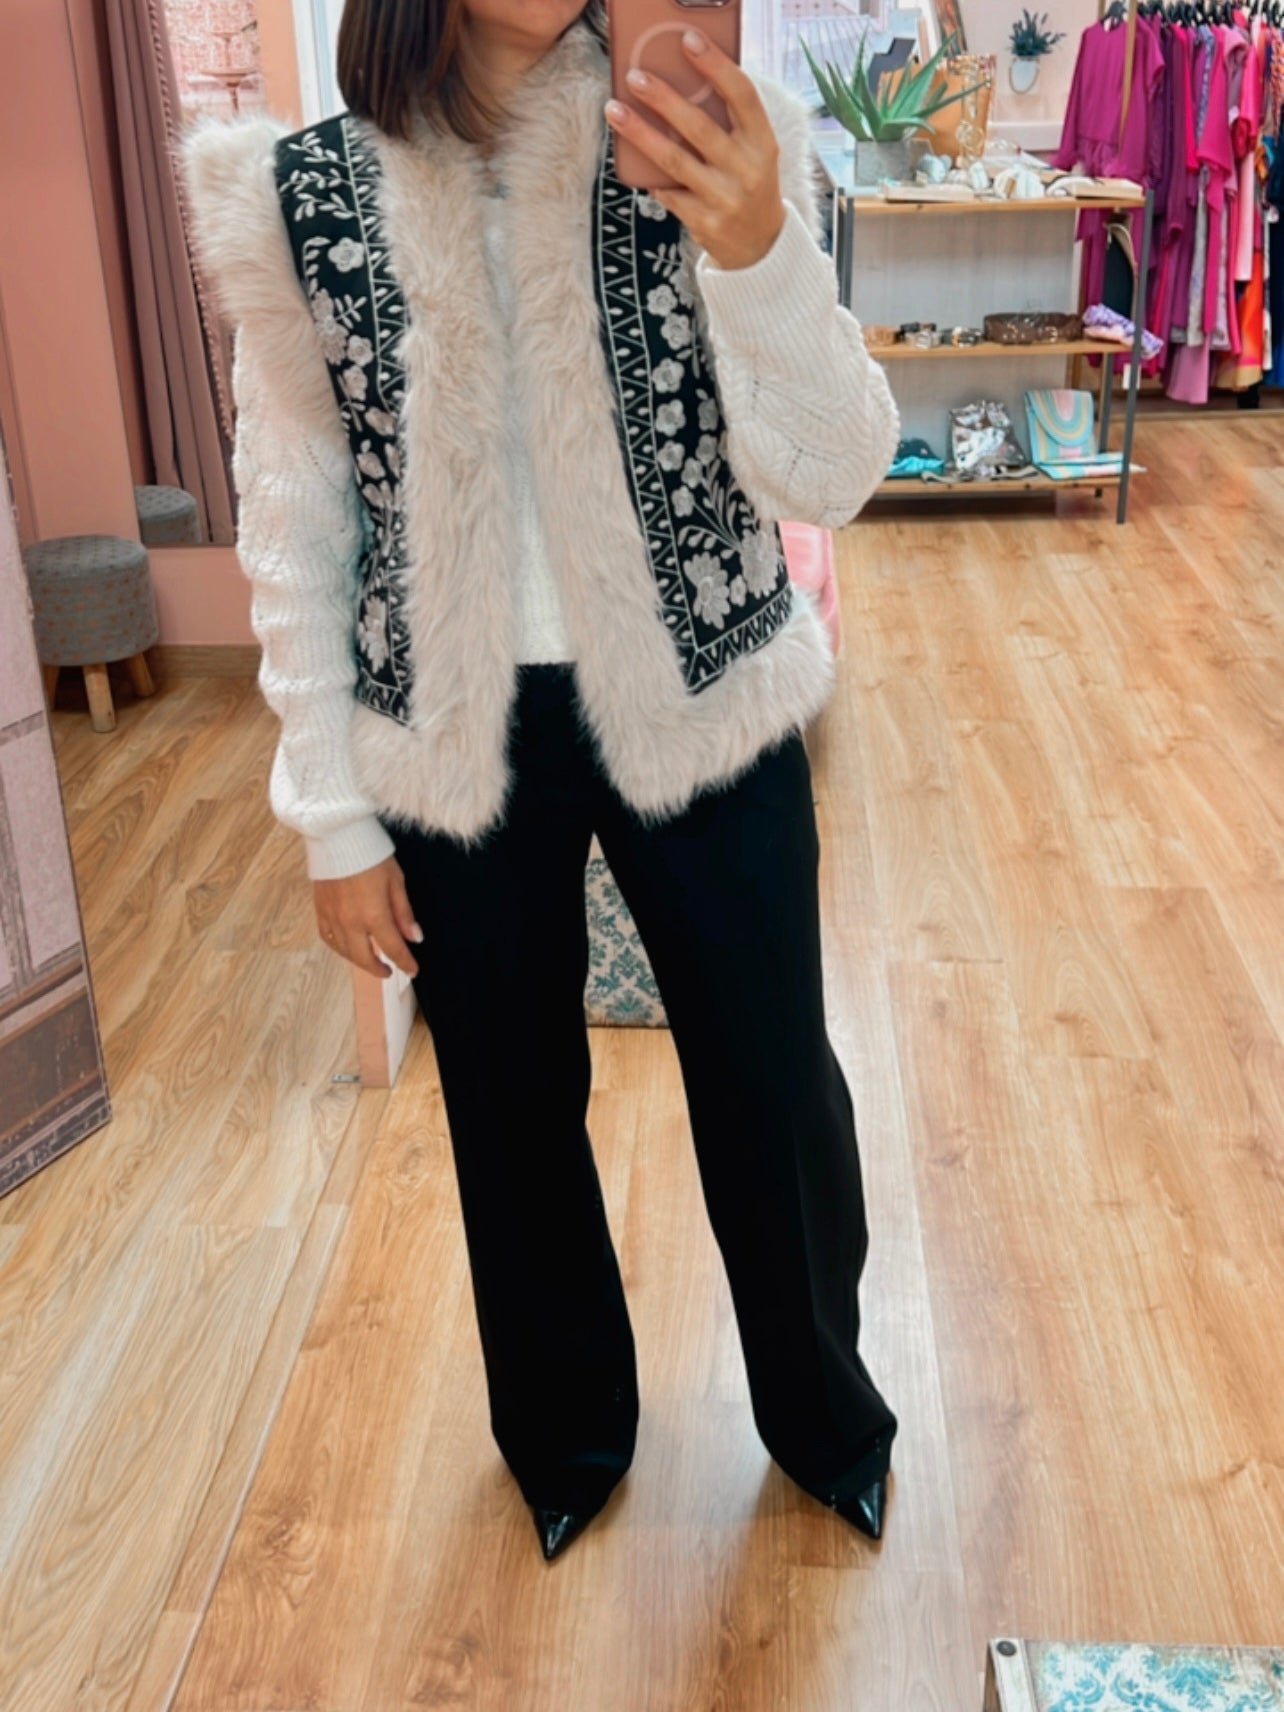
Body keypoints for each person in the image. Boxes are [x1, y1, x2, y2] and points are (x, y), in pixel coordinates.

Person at [182, 0, 900, 1563]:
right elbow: (297, 523)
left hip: (709, 691)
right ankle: (566, 1436)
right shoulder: (305, 195)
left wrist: (760, 249)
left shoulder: (707, 143)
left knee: (777, 1084)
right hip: (454, 737)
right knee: (508, 1108)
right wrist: (331, 815)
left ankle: (827, 1414)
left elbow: (835, 471)